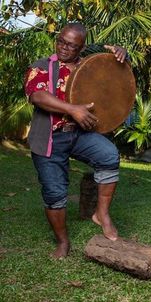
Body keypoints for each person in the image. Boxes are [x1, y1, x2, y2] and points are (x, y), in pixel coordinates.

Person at [24, 23, 128, 258]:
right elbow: (37, 95)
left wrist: (122, 54)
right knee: (54, 193)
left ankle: (101, 214)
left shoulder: (89, 65)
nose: (63, 47)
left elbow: (115, 76)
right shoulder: (42, 66)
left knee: (109, 156)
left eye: (71, 45)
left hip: (81, 134)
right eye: (61, 41)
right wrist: (72, 109)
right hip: (50, 136)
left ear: (81, 47)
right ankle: (62, 242)